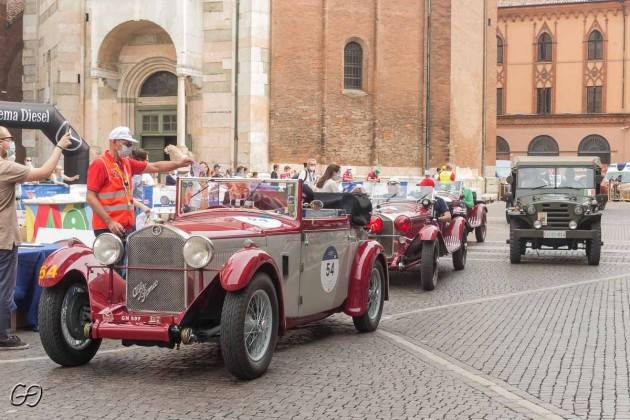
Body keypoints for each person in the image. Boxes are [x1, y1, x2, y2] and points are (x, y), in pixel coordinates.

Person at [1, 126, 73, 350]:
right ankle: (2, 336)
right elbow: (43, 172)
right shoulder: (6, 167)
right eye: (8, 139)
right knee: (4, 288)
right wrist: (59, 146)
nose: (11, 143)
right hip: (3, 238)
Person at [86, 126, 192, 238]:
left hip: (126, 226)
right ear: (114, 142)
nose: (129, 148)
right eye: (127, 144)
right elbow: (90, 197)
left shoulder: (126, 163)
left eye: (130, 145)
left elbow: (155, 166)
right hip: (108, 227)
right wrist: (109, 222)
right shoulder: (100, 164)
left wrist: (178, 163)